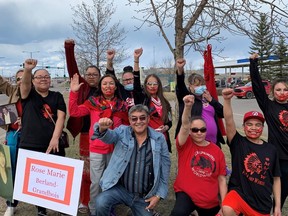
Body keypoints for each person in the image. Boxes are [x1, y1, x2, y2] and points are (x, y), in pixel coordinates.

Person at [90, 104, 171, 216]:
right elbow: (110, 137)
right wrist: (102, 128)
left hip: (144, 196)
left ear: (148, 119)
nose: (139, 121)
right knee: (101, 202)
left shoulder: (159, 138)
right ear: (129, 120)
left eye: (142, 118)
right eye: (134, 118)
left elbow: (165, 167)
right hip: (121, 190)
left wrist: (158, 195)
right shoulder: (122, 132)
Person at [69, 73, 128, 216]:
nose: (108, 86)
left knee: (111, 181)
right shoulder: (92, 103)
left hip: (116, 150)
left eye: (111, 83)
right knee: (96, 182)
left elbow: (127, 126)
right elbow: (74, 112)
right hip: (97, 148)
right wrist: (74, 92)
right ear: (100, 87)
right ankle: (94, 210)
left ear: (115, 86)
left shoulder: (122, 105)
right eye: (105, 83)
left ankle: (108, 207)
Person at [221, 88, 281, 216]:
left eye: (258, 125)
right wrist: (226, 101)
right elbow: (229, 120)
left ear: (262, 128)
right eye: (249, 124)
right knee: (227, 209)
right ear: (244, 127)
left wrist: (277, 206)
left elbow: (276, 179)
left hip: (261, 204)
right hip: (239, 194)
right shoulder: (238, 143)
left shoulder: (271, 150)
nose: (253, 128)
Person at [20, 59, 67, 216]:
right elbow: (24, 85)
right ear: (33, 81)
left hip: (53, 144)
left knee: (55, 179)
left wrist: (55, 138)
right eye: (39, 77)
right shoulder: (28, 95)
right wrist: (27, 70)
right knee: (37, 181)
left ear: (50, 79)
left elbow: (61, 118)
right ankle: (41, 209)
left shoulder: (57, 96)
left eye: (46, 76)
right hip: (30, 144)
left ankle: (60, 206)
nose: (43, 79)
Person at [170, 94, 227, 216]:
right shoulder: (185, 145)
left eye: (203, 129)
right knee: (178, 213)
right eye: (195, 130)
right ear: (190, 131)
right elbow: (185, 124)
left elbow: (221, 179)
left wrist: (224, 204)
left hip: (209, 202)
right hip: (186, 194)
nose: (199, 133)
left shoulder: (217, 151)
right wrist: (188, 106)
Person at [65, 39, 101, 213]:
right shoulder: (84, 87)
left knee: (101, 171)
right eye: (89, 74)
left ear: (100, 76)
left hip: (104, 138)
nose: (91, 76)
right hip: (86, 135)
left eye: (95, 74)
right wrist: (69, 49)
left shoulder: (106, 89)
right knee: (86, 170)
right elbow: (73, 70)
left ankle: (101, 201)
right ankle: (84, 200)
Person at [249, 53, 288, 209]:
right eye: (278, 89)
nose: (282, 92)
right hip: (278, 157)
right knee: (275, 191)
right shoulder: (269, 106)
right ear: (273, 91)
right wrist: (253, 63)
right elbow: (257, 87)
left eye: (285, 89)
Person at [175, 58, 225, 148]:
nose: (200, 87)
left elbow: (222, 113)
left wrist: (212, 100)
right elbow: (180, 85)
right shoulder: (188, 98)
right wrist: (180, 70)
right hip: (195, 144)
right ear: (190, 86)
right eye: (197, 85)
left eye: (202, 84)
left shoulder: (207, 97)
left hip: (213, 143)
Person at [0, 68, 23, 216]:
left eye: (24, 77)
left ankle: (41, 205)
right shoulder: (13, 91)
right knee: (12, 167)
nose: (21, 81)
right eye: (18, 78)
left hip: (32, 135)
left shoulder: (38, 93)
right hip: (14, 133)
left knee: (31, 169)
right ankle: (11, 204)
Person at [136, 74, 173, 153]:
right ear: (145, 85)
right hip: (148, 140)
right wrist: (136, 62)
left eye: (155, 83)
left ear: (159, 85)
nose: (152, 86)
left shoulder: (165, 102)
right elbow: (136, 86)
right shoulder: (143, 100)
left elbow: (169, 122)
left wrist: (166, 127)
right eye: (149, 84)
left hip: (163, 139)